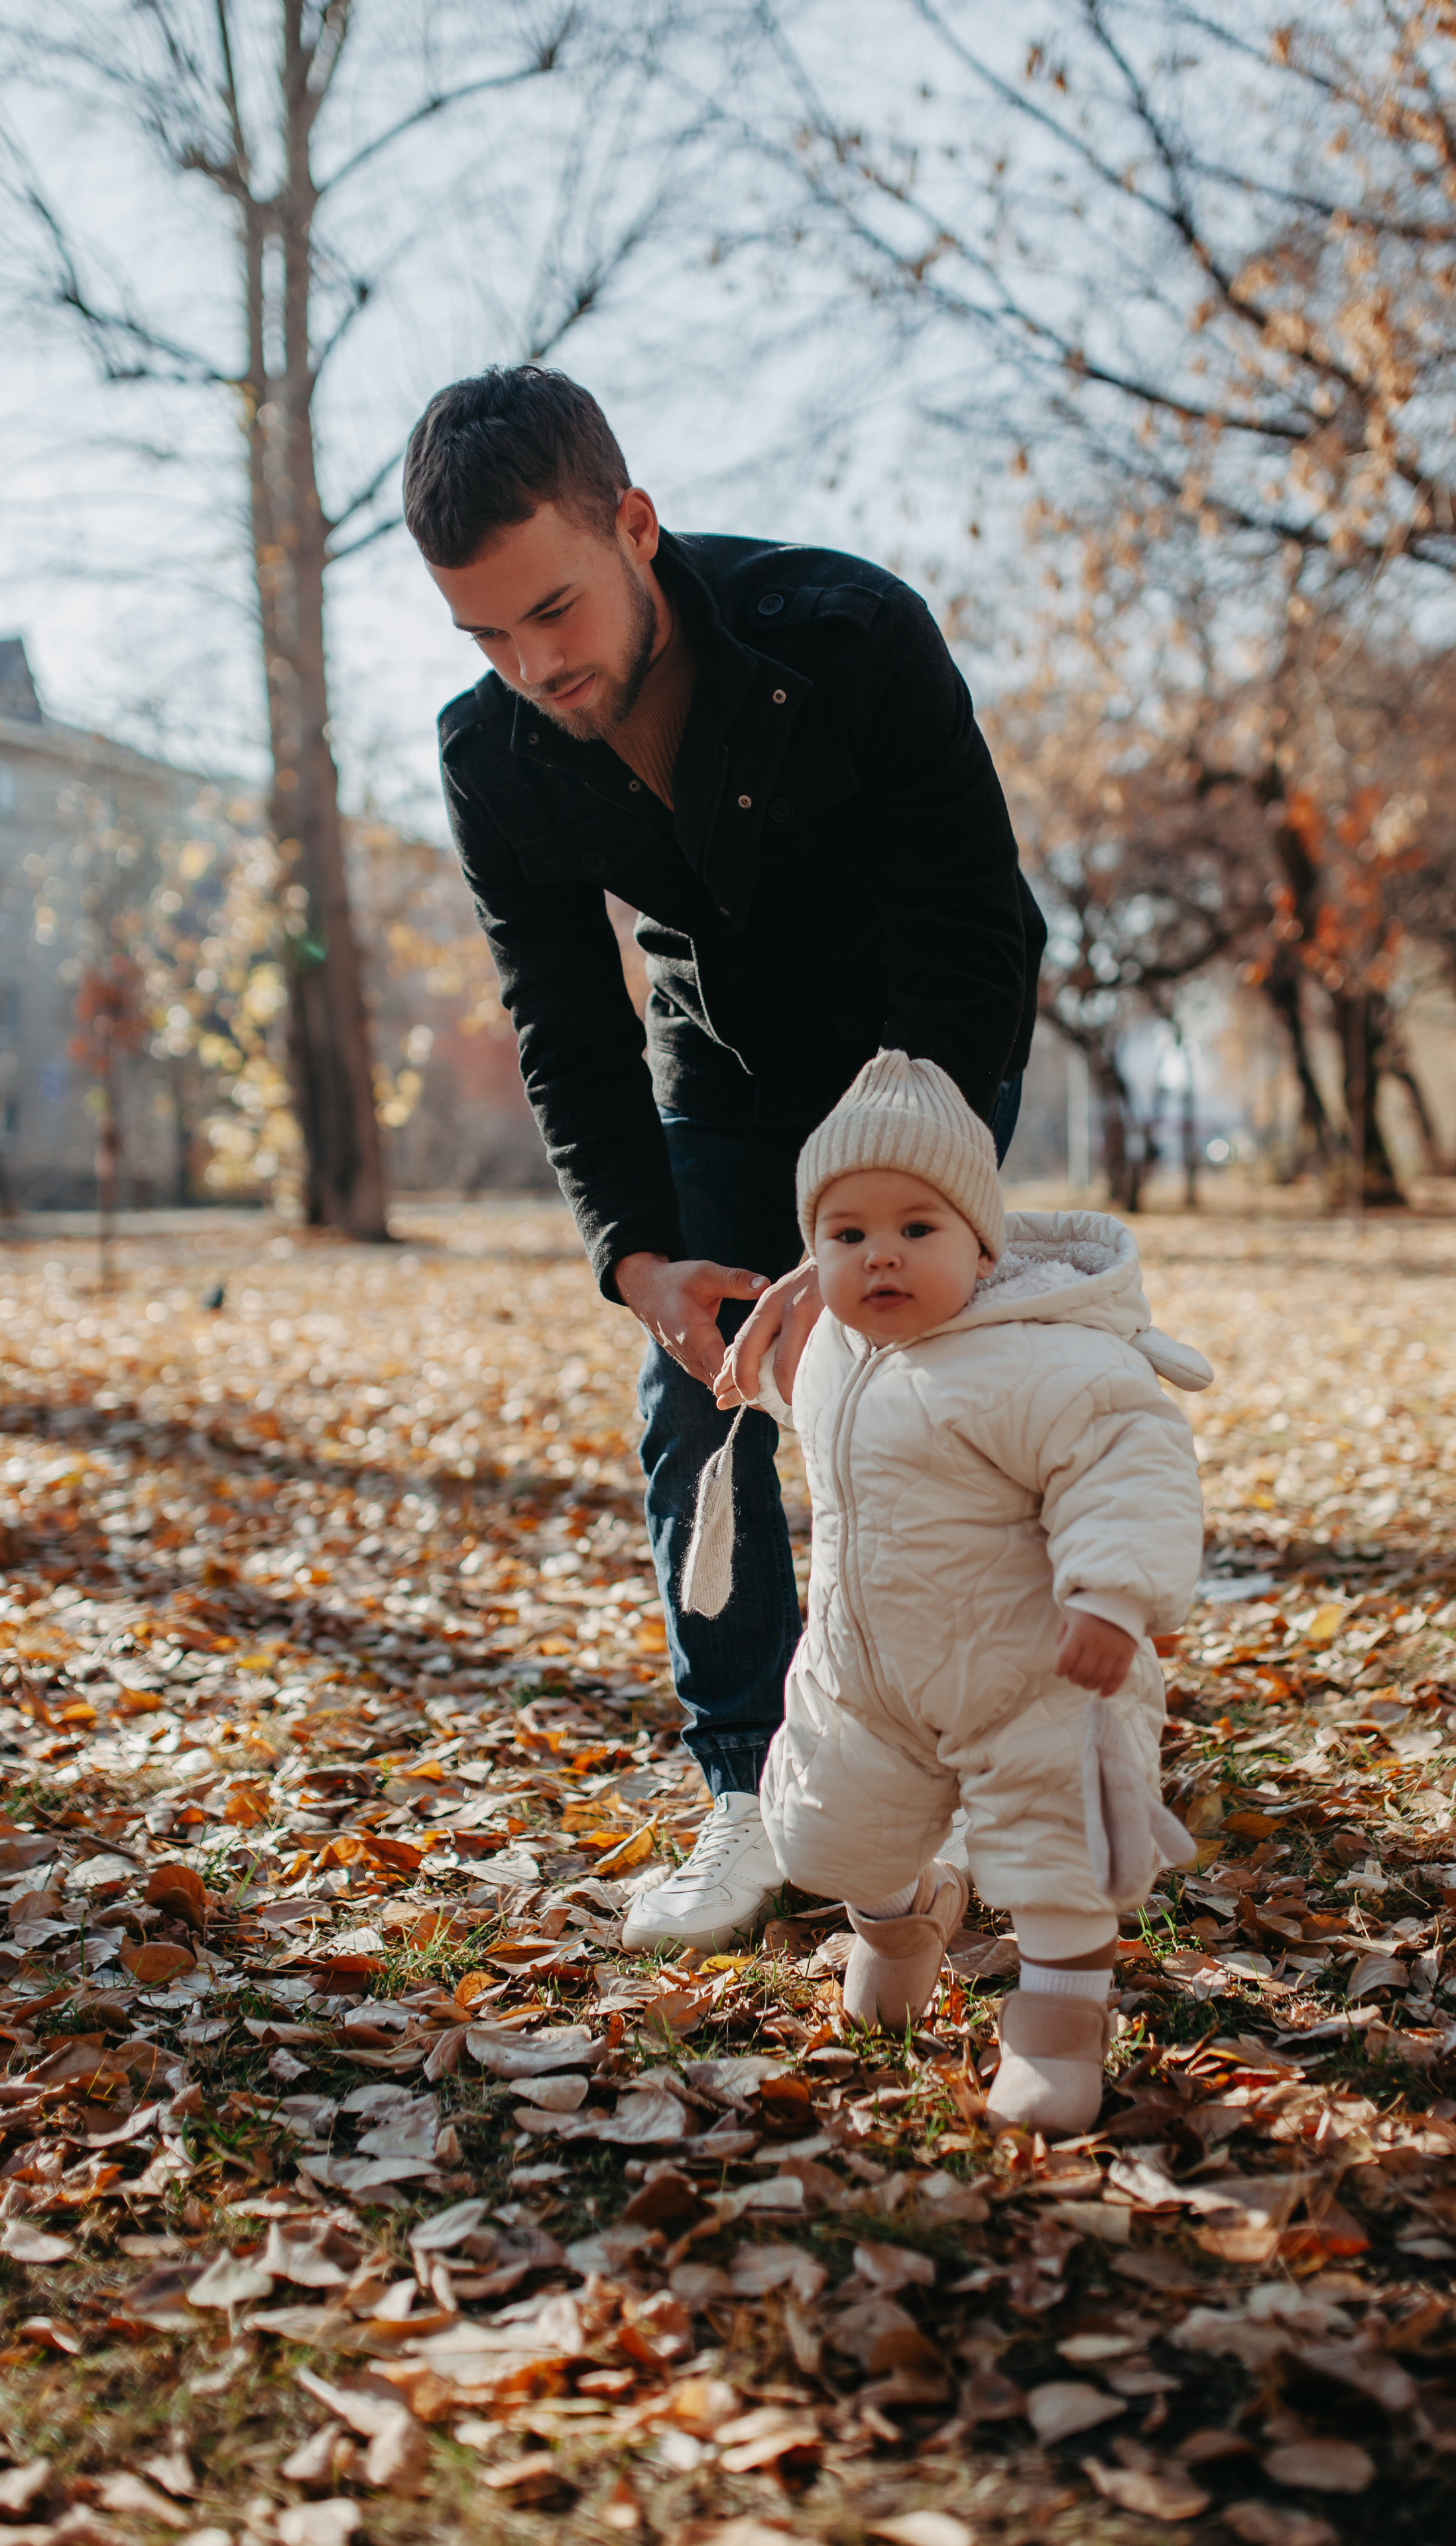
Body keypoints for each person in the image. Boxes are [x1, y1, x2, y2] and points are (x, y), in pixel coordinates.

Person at [402, 366, 1046, 1951]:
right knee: (695, 1398)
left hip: (907, 1072)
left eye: (552, 609)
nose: (530, 664)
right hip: (717, 1078)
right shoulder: (492, 757)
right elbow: (559, 1017)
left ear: (632, 524)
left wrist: (887, 1224)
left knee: (926, 1415)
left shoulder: (845, 634)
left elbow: (976, 927)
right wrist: (633, 1257)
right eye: (485, 635)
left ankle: (967, 1788)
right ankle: (748, 1796)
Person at [735, 1050, 1207, 2130]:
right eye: (847, 1235)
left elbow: (1129, 1459)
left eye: (918, 1229)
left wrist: (1111, 1598)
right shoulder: (831, 1352)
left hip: (1030, 1672)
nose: (880, 1256)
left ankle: (1057, 2022)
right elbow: (826, 1424)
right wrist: (752, 1376)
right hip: (869, 1676)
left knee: (1058, 1862)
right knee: (827, 1834)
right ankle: (903, 1923)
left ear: (983, 1247)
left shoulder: (1042, 1359)